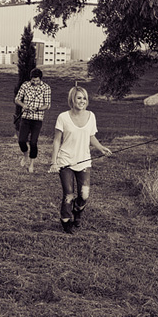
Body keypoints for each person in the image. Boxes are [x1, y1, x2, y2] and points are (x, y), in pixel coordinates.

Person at [49, 86, 112, 233]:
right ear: (72, 99)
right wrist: (54, 162)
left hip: (84, 161)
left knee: (84, 195)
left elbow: (91, 136)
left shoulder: (91, 116)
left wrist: (101, 148)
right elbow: (57, 140)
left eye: (84, 98)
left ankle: (77, 211)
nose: (82, 101)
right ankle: (66, 220)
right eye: (79, 98)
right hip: (65, 161)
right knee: (69, 194)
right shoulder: (63, 117)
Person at [14, 68, 51, 173]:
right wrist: (24, 105)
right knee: (21, 140)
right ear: (30, 79)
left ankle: (31, 165)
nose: (35, 82)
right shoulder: (25, 85)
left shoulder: (46, 88)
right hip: (25, 117)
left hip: (37, 119)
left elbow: (47, 105)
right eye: (33, 81)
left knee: (33, 142)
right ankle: (25, 156)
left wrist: (38, 108)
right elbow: (16, 99)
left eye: (37, 81)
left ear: (40, 79)